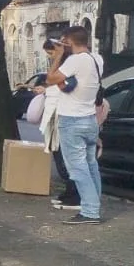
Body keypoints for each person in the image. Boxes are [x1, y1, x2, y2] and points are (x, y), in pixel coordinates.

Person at [45, 26, 104, 224]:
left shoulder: (74, 60)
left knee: (78, 169)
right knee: (90, 165)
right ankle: (94, 205)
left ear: (69, 41)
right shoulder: (97, 59)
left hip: (72, 121)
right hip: (90, 119)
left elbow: (50, 79)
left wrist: (58, 56)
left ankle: (89, 212)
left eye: (64, 41)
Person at [30, 40, 79, 211]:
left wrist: (47, 89)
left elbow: (65, 88)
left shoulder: (69, 67)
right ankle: (70, 192)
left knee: (66, 160)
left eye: (51, 53)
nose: (50, 58)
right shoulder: (64, 67)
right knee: (59, 158)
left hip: (61, 117)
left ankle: (75, 195)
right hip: (54, 117)